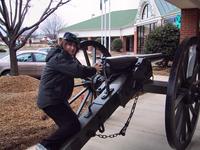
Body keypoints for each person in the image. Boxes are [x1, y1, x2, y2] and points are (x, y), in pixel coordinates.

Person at [30, 32, 102, 150]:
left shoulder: (66, 58)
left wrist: (91, 72)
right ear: (63, 44)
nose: (72, 48)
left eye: (74, 46)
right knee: (72, 126)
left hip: (56, 99)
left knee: (67, 127)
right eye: (69, 44)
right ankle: (43, 146)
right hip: (52, 99)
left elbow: (78, 69)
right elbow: (78, 71)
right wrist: (94, 69)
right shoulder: (59, 58)